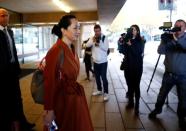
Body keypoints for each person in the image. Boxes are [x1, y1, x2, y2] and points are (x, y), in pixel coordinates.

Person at [43, 15, 93, 131]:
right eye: (75, 28)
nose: (78, 31)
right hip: (61, 101)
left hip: (72, 99)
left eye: (79, 28)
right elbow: (49, 82)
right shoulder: (55, 50)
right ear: (63, 30)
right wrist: (49, 110)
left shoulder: (72, 48)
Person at [0, 8, 35, 130]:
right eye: (2, 15)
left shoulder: (9, 32)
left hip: (13, 71)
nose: (5, 18)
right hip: (2, 73)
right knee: (5, 100)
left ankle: (22, 122)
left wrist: (17, 67)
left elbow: (13, 50)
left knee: (17, 98)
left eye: (7, 15)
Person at [148, 19, 186, 130]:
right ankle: (157, 109)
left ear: (184, 28)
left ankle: (181, 117)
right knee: (162, 94)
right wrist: (164, 41)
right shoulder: (169, 39)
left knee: (183, 99)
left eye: (181, 26)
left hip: (183, 75)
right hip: (169, 74)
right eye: (176, 26)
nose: (178, 28)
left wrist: (174, 40)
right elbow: (160, 51)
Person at [123, 25, 145, 115]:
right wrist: (121, 43)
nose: (133, 31)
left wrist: (130, 45)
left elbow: (138, 52)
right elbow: (123, 51)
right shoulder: (128, 40)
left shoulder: (141, 41)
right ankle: (131, 102)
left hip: (137, 67)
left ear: (138, 31)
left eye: (134, 30)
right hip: (128, 66)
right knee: (129, 85)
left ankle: (137, 106)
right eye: (131, 29)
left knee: (136, 86)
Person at [86, 24, 109, 101]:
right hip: (95, 62)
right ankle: (99, 90)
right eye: (96, 31)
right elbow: (87, 45)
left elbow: (106, 48)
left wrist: (99, 44)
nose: (97, 32)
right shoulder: (92, 38)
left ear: (100, 30)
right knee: (97, 78)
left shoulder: (104, 38)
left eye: (98, 31)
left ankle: (106, 93)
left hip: (103, 62)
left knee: (103, 78)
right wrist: (92, 41)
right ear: (94, 31)